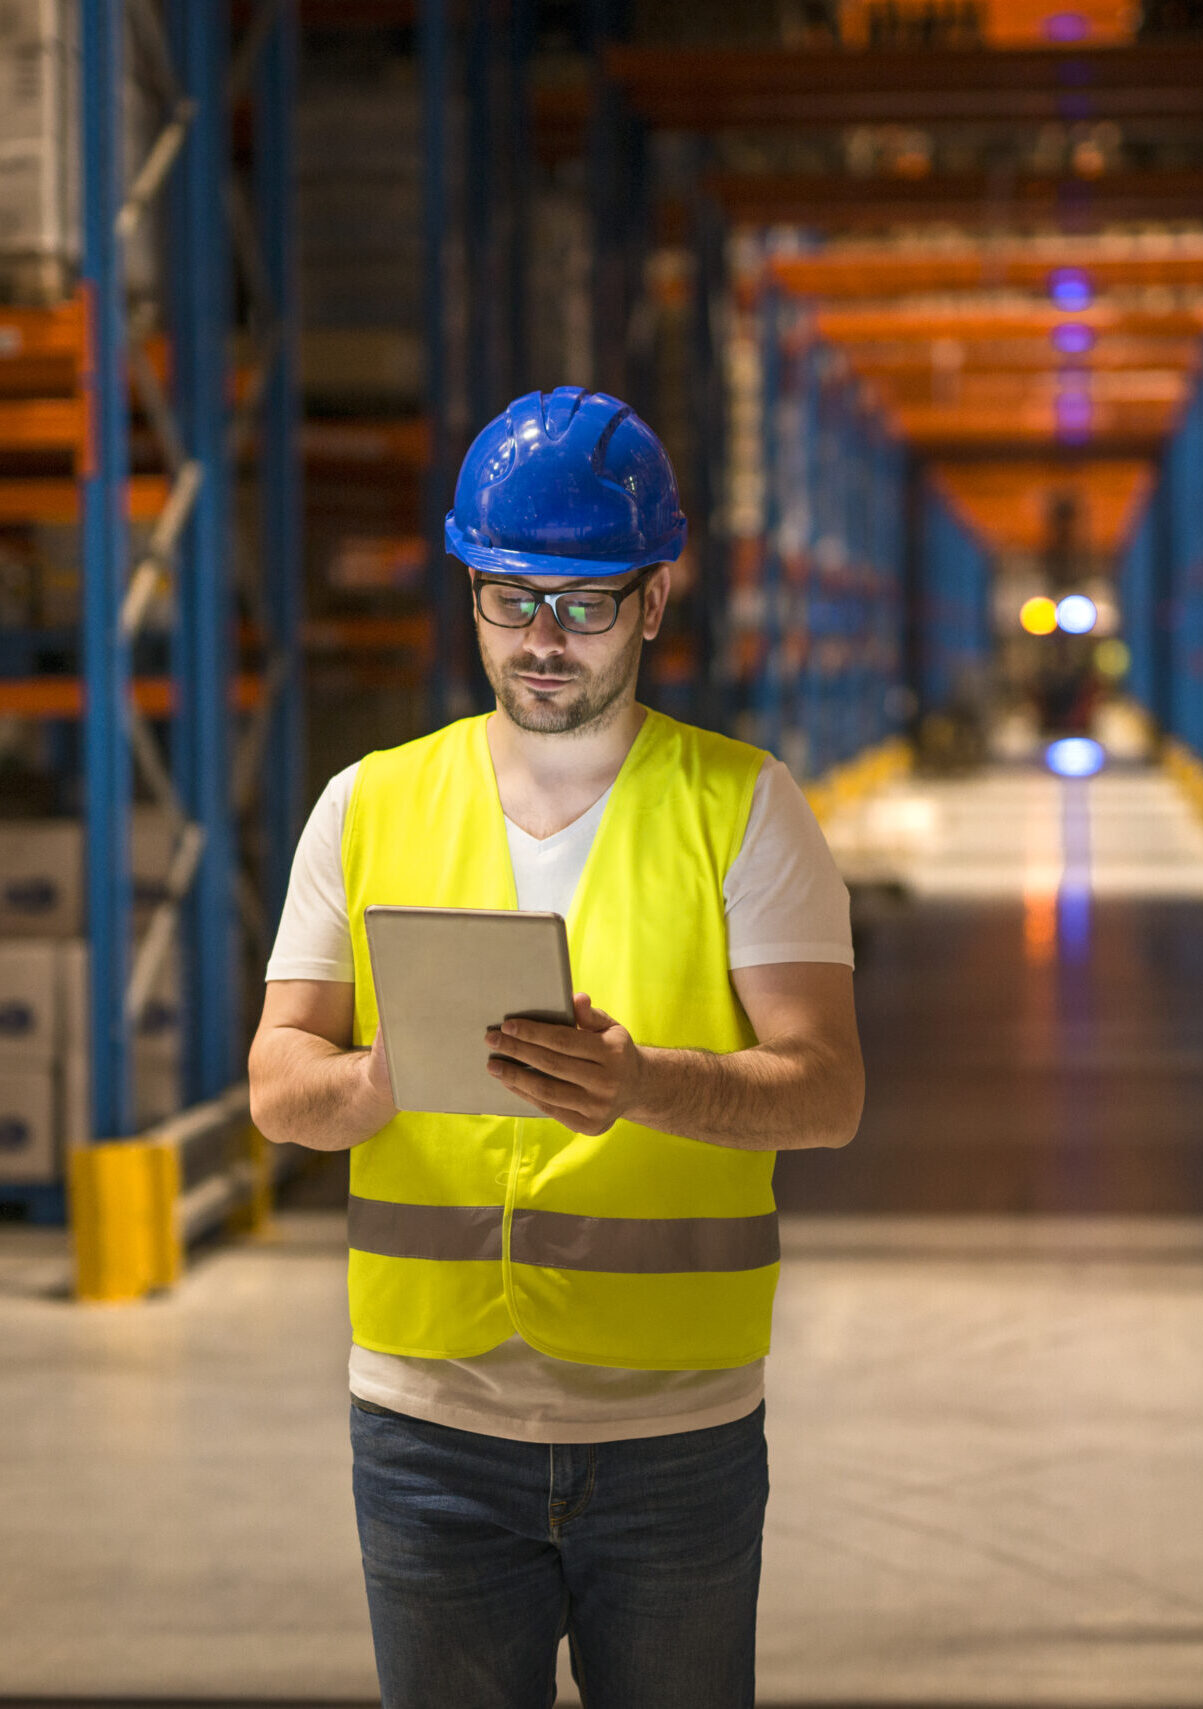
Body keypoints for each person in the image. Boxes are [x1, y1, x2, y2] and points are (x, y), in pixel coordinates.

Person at [248, 387, 864, 1709]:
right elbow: (277, 1085)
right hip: (425, 1427)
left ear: (652, 599)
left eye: (582, 604)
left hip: (674, 1440)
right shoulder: (365, 805)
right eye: (507, 599)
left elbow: (826, 1093)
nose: (540, 639)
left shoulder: (743, 809)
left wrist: (648, 1082)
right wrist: (375, 1081)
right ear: (469, 592)